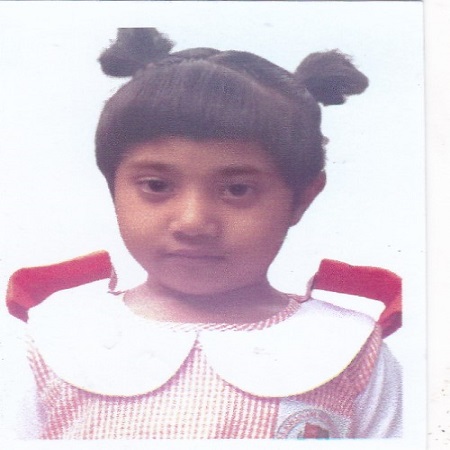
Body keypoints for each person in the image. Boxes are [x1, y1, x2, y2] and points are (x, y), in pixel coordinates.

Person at [4, 28, 401, 439]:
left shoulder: (350, 351)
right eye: (157, 185)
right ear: (113, 186)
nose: (193, 222)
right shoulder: (55, 340)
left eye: (237, 190)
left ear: (302, 198)